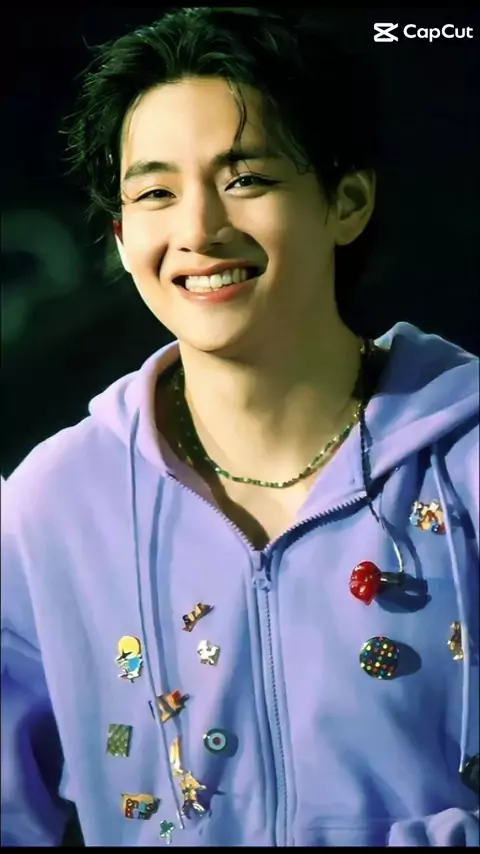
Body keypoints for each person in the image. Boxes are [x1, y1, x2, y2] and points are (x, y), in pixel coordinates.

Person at [1, 7, 478, 847]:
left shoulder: (468, 461)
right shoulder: (55, 504)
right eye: (155, 193)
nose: (198, 230)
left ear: (347, 201)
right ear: (121, 235)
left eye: (246, 179)